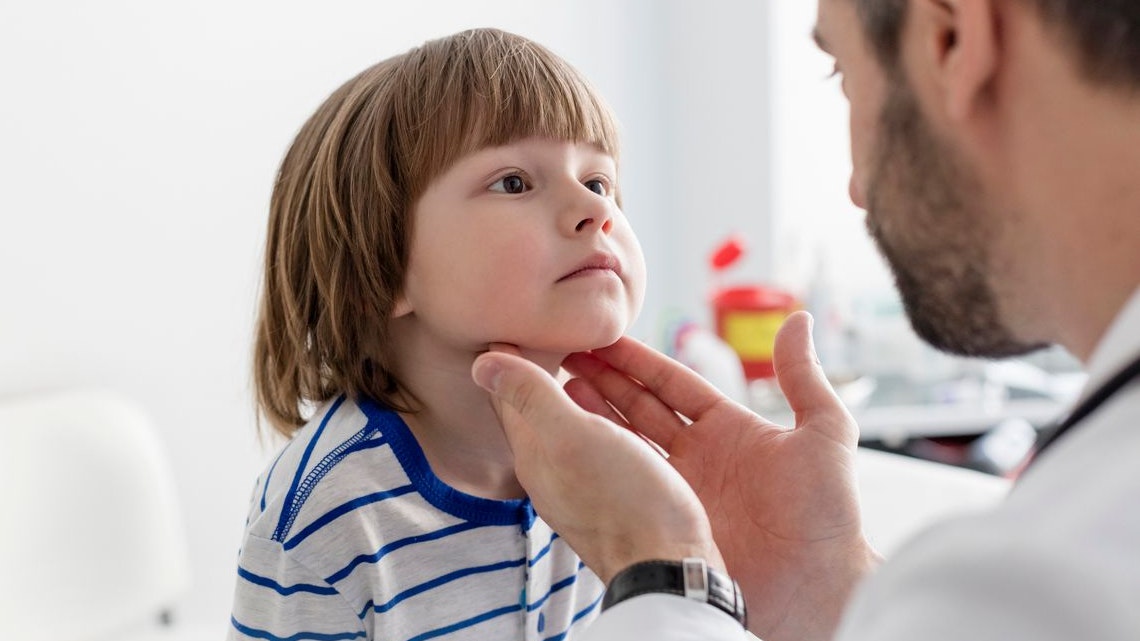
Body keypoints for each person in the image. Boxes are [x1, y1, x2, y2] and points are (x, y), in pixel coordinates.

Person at [470, 0, 1140, 639]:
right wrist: (818, 577)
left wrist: (662, 570)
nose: (854, 186)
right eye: (513, 182)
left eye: (843, 74)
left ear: (953, 40)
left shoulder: (1067, 574)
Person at [228, 28, 647, 641]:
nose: (596, 210)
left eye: (598, 181)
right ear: (384, 263)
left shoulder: (619, 459)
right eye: (514, 182)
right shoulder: (323, 519)